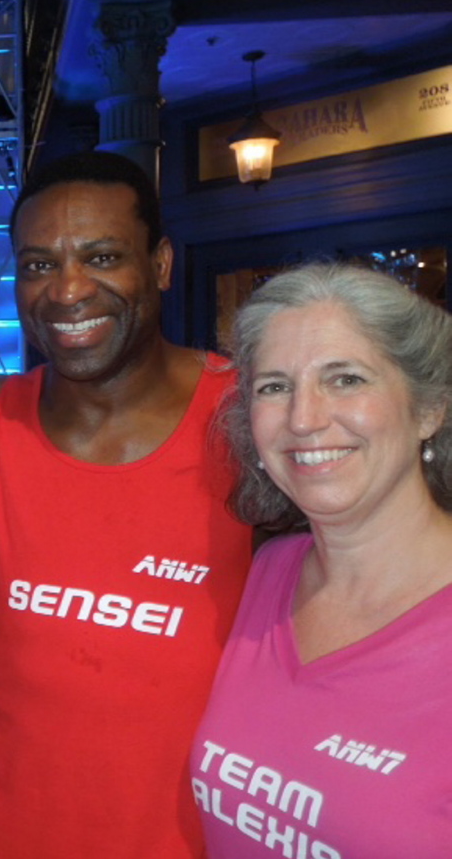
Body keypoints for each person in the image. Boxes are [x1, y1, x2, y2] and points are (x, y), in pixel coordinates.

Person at [0, 151, 253, 858]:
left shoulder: (251, 419)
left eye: (101, 256)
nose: (67, 290)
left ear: (160, 264)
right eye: (38, 264)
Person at [190, 263, 452, 856]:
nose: (304, 419)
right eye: (275, 387)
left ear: (430, 408)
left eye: (346, 379)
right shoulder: (269, 572)